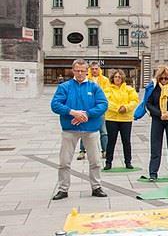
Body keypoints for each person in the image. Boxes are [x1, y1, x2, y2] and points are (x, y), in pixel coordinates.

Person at [50, 58, 108, 200]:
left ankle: (96, 186)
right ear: (73, 71)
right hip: (70, 129)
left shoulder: (94, 87)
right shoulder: (65, 87)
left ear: (87, 71)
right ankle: (63, 189)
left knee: (94, 160)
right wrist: (72, 112)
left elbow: (103, 104)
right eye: (77, 71)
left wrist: (86, 115)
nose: (80, 73)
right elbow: (55, 105)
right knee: (64, 161)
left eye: (83, 71)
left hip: (91, 128)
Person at [134, 65, 168, 181]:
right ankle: (153, 173)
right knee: (155, 147)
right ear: (158, 78)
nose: (164, 81)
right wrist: (160, 114)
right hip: (157, 120)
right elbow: (148, 103)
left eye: (166, 78)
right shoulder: (154, 89)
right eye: (162, 78)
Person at [104, 69, 139, 170]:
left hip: (126, 119)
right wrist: (118, 109)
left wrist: (126, 108)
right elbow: (106, 101)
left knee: (126, 141)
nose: (117, 79)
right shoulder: (108, 89)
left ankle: (128, 162)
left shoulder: (129, 89)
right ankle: (108, 162)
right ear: (112, 78)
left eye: (119, 77)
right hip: (112, 118)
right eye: (115, 77)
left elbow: (134, 100)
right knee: (111, 141)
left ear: (122, 78)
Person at [78, 61, 109, 160]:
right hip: (87, 109)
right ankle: (82, 151)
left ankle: (105, 151)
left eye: (96, 68)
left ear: (99, 69)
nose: (94, 70)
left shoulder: (105, 80)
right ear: (89, 70)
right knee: (84, 130)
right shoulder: (86, 80)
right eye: (92, 69)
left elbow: (106, 93)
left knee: (103, 131)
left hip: (100, 109)